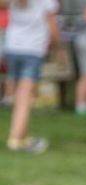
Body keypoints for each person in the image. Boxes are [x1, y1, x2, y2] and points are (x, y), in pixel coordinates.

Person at [2, 0, 60, 153]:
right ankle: (16, 139)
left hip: (12, 47)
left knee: (18, 95)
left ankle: (22, 135)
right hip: (33, 49)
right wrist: (58, 47)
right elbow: (52, 25)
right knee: (25, 96)